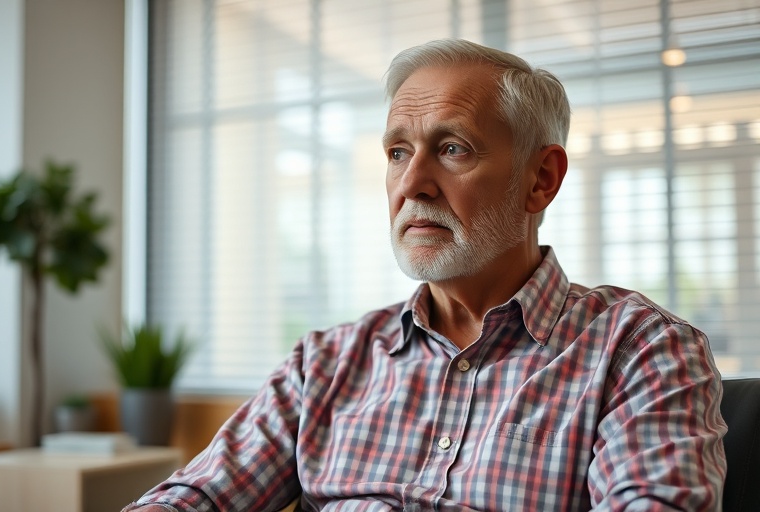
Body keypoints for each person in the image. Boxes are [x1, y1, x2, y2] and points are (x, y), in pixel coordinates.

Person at [122, 39, 727, 511]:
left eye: (453, 148)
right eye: (396, 152)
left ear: (540, 179)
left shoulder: (641, 350)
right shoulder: (325, 365)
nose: (411, 185)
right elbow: (192, 497)